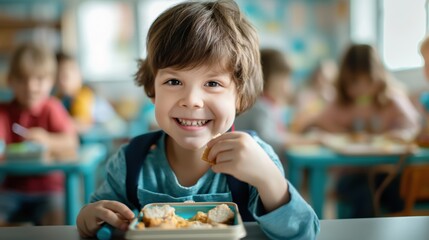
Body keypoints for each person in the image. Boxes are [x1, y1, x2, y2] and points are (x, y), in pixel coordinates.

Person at [76, 1, 319, 239]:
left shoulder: (257, 159)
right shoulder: (130, 162)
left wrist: (269, 180)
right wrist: (89, 219)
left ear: (240, 95)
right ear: (152, 88)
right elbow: (101, 222)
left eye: (212, 84)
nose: (192, 100)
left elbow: (304, 233)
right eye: (174, 82)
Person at [308, 43, 420, 218]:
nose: (361, 89)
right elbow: (319, 122)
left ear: (379, 77)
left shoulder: (391, 99)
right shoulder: (340, 103)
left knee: (397, 196)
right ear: (344, 81)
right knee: (364, 198)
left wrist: (399, 134)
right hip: (351, 175)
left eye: (368, 81)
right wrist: (342, 133)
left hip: (386, 172)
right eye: (354, 83)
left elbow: (412, 126)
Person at [0, 43, 79, 225]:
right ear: (10, 81)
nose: (31, 86)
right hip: (12, 190)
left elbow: (71, 142)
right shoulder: (4, 111)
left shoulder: (52, 107)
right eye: (22, 79)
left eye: (39, 79)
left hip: (49, 190)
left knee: (57, 222)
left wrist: (48, 140)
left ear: (51, 81)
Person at [234, 48, 310, 160]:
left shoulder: (269, 104)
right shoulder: (259, 107)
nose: (289, 83)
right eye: (285, 77)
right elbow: (271, 141)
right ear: (267, 78)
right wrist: (308, 141)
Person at [55, 52, 120, 135]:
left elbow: (82, 125)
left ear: (79, 76)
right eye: (57, 77)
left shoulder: (83, 96)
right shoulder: (61, 97)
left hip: (112, 135)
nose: (60, 81)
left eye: (65, 77)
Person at [291, 59, 337, 133]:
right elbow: (299, 121)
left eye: (329, 79)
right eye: (323, 77)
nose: (324, 82)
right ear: (316, 75)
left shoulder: (332, 95)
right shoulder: (304, 95)